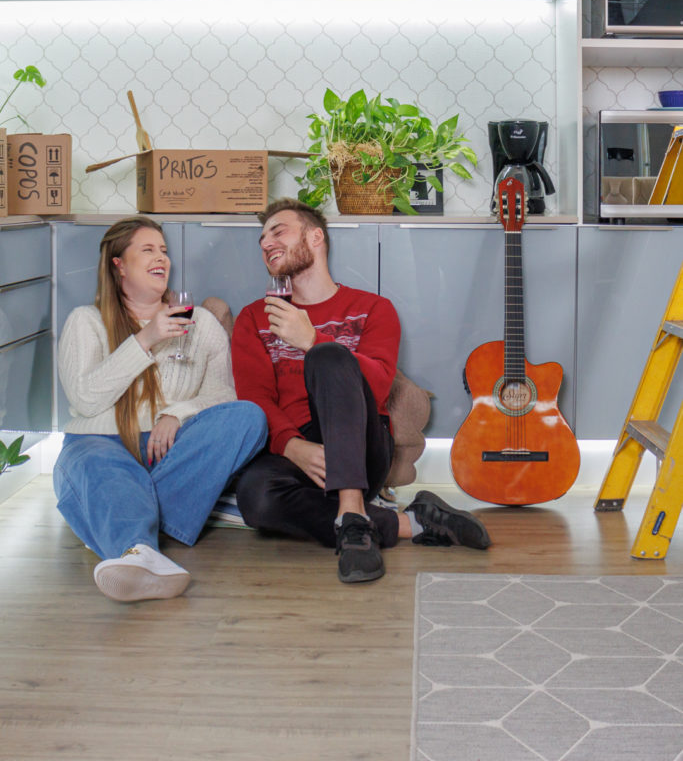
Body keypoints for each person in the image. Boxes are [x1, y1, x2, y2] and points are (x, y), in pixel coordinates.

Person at [232, 198, 490, 584]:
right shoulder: (254, 317)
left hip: (362, 442)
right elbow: (254, 399)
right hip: (295, 449)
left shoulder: (373, 308)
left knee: (330, 356)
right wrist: (290, 445)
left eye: (278, 231)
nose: (266, 243)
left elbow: (381, 385)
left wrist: (312, 340)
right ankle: (412, 523)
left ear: (315, 237)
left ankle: (352, 513)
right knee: (256, 498)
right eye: (262, 238)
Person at [54, 215, 267, 603]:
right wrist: (146, 338)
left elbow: (225, 394)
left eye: (164, 251)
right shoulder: (86, 321)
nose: (162, 258)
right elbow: (85, 400)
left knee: (250, 417)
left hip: (170, 449)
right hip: (100, 441)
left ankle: (125, 526)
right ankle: (139, 548)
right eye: (148, 250)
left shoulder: (200, 322)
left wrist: (178, 413)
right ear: (118, 264)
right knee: (103, 468)